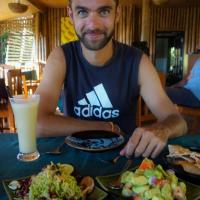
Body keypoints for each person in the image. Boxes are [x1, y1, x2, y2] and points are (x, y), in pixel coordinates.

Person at [36, 0, 187, 159]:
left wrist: (162, 130)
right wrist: (103, 127)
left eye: (104, 12)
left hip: (125, 158)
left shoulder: (138, 61)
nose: (93, 25)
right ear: (71, 14)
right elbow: (36, 124)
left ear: (118, 14)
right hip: (73, 159)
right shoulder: (61, 57)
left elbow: (178, 121)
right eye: (82, 12)